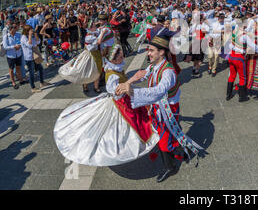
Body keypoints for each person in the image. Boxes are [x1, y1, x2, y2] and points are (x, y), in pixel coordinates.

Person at [116, 34, 205, 183]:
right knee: (165, 134)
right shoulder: (154, 66)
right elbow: (141, 74)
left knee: (164, 139)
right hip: (158, 108)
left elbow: (159, 91)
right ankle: (181, 149)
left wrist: (131, 91)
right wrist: (128, 82)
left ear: (161, 52)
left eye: (151, 50)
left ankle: (170, 167)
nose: (148, 53)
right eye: (148, 50)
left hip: (168, 110)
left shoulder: (168, 72)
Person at [54, 44, 160, 167]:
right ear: (114, 60)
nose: (123, 58)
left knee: (136, 119)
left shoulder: (116, 67)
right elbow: (116, 93)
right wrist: (132, 80)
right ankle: (120, 149)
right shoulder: (112, 75)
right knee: (120, 128)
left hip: (126, 99)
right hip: (120, 104)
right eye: (120, 57)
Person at [20, 25, 50, 93]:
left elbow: (38, 42)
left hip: (34, 56)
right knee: (31, 73)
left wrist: (35, 35)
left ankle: (42, 83)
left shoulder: (32, 36)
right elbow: (30, 45)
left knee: (41, 69)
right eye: (30, 30)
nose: (32, 31)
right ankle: (32, 87)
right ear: (27, 31)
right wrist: (30, 36)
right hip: (29, 58)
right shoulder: (23, 38)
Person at [3, 23, 25, 89]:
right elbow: (5, 47)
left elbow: (22, 42)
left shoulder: (18, 34)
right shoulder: (6, 36)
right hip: (11, 56)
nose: (17, 28)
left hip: (18, 54)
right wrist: (14, 47)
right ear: (11, 28)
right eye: (15, 27)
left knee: (18, 67)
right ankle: (13, 82)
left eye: (16, 27)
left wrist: (19, 46)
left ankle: (21, 79)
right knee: (11, 70)